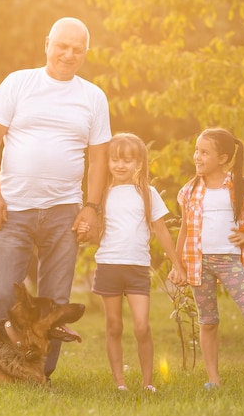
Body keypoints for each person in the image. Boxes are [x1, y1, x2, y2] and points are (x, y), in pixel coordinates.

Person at [0, 17, 111, 380]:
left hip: (64, 213)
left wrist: (92, 208)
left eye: (77, 49)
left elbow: (99, 158)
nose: (68, 54)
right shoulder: (18, 83)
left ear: (85, 53)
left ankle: (40, 373)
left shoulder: (93, 97)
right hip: (12, 210)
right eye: (62, 46)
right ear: (47, 43)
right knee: (3, 295)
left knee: (55, 301)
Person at [78, 133, 187, 392]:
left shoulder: (147, 194)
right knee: (114, 325)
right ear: (108, 162)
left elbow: (161, 231)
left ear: (139, 163)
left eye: (127, 160)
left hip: (138, 268)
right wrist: (84, 231)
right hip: (109, 266)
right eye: (115, 159)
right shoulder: (101, 195)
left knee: (141, 326)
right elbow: (91, 232)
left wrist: (177, 264)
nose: (120, 165)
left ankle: (148, 383)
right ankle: (120, 384)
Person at [168, 127, 244, 390]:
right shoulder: (189, 190)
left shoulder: (242, 185)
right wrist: (177, 264)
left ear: (223, 158)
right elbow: (184, 228)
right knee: (208, 321)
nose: (197, 156)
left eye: (204, 152)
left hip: (229, 261)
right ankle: (213, 380)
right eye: (196, 150)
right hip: (199, 262)